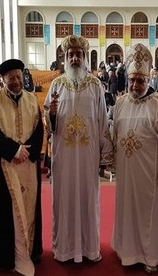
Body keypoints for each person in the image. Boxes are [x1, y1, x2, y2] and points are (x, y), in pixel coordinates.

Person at [43, 35, 114, 263]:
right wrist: (51, 114)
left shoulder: (95, 85)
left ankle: (88, 248)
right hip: (63, 156)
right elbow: (48, 122)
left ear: (85, 58)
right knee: (64, 199)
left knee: (87, 198)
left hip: (87, 155)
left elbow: (103, 120)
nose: (74, 58)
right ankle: (64, 249)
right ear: (65, 58)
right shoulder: (56, 85)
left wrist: (105, 154)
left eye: (78, 54)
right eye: (70, 54)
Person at [111, 43, 158, 274]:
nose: (135, 85)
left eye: (140, 80)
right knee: (127, 211)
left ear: (148, 81)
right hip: (126, 171)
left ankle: (151, 255)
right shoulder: (120, 104)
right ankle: (126, 250)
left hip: (150, 174)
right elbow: (113, 135)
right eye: (132, 80)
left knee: (150, 215)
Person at [0, 59, 44, 275]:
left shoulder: (31, 99)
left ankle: (30, 251)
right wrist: (13, 150)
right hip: (3, 165)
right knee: (4, 210)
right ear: (3, 79)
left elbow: (39, 130)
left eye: (18, 76)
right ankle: (6, 256)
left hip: (28, 164)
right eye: (11, 78)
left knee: (29, 206)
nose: (16, 81)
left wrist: (29, 151)